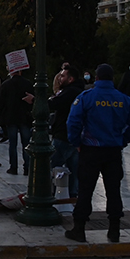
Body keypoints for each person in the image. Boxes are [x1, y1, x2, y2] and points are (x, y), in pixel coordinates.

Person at [65, 64, 130, 243]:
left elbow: (73, 122)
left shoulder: (87, 97)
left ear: (96, 78)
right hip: (113, 150)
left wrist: (76, 142)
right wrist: (122, 141)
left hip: (90, 150)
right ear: (112, 79)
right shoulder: (124, 99)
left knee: (85, 190)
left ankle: (79, 228)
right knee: (113, 190)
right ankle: (114, 230)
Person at [48, 64, 84, 198]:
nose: (59, 78)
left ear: (70, 79)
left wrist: (35, 100)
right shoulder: (78, 91)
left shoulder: (70, 92)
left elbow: (54, 103)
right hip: (75, 136)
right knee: (74, 168)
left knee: (52, 163)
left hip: (64, 135)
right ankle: (73, 195)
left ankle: (49, 193)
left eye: (62, 76)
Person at [0, 67, 34, 175]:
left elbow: (1, 103)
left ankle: (13, 167)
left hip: (11, 117)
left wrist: (1, 118)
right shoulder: (27, 83)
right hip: (24, 118)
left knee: (12, 144)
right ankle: (27, 167)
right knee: (26, 143)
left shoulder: (6, 84)